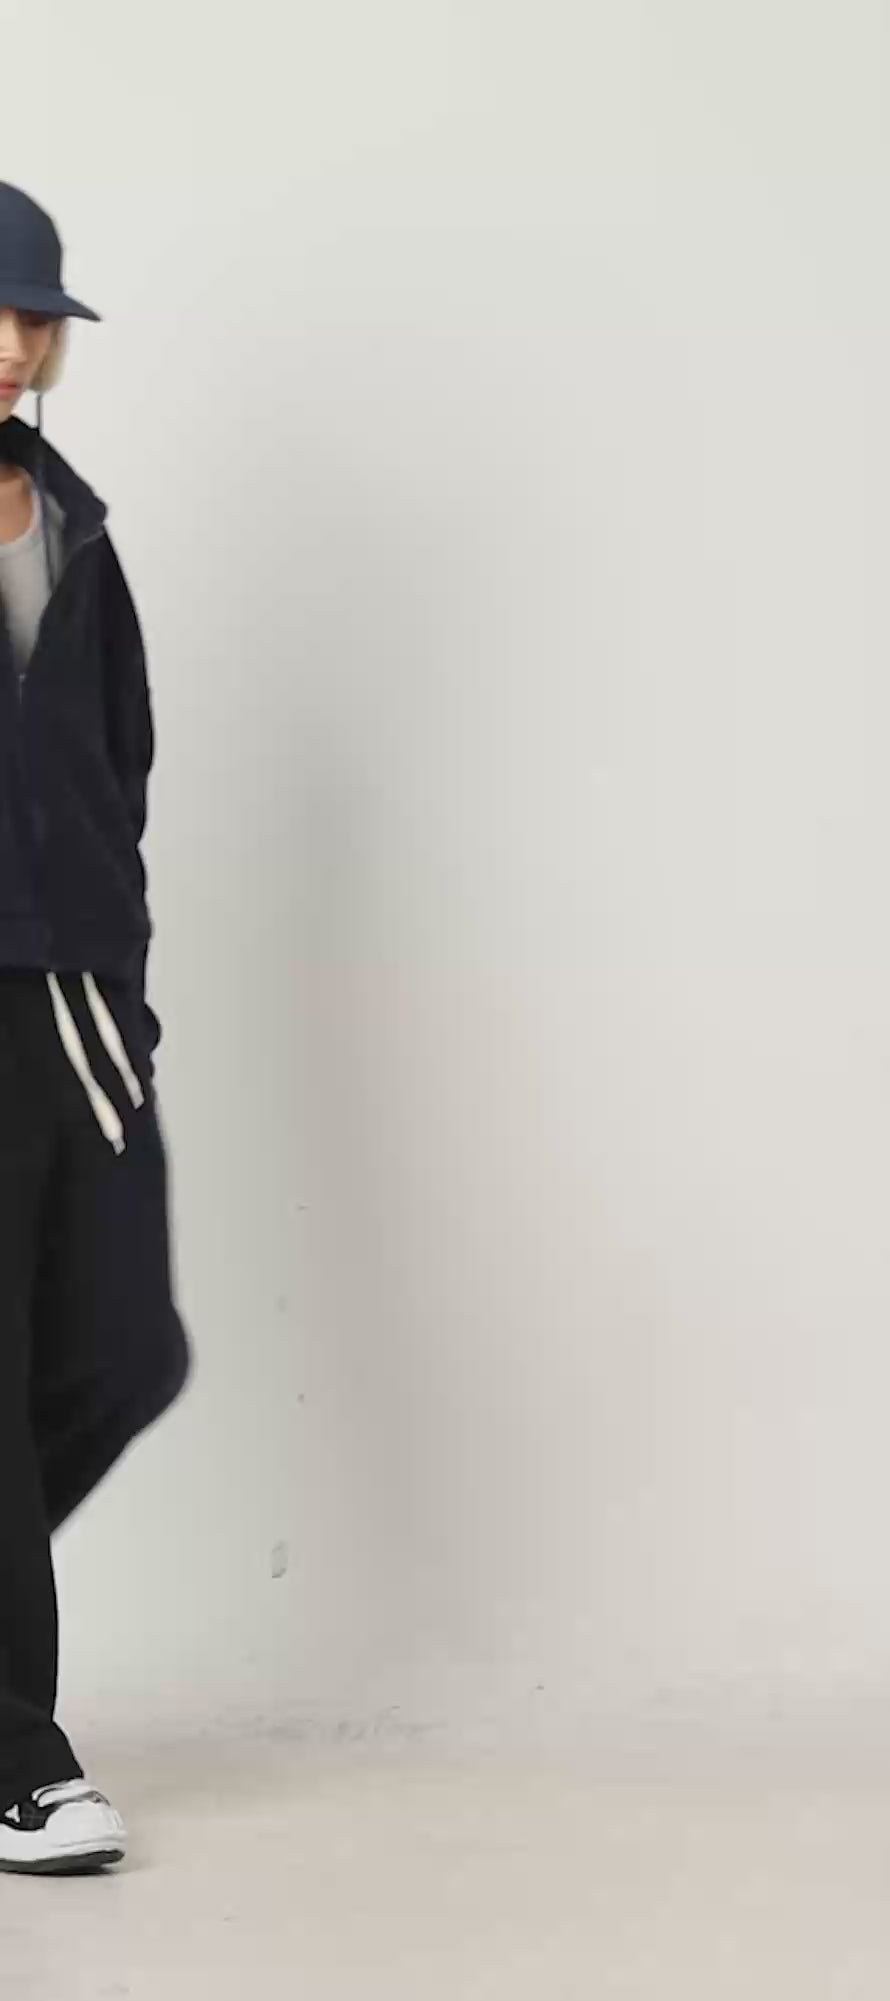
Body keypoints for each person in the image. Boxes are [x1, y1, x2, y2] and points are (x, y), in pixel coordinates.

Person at [0, 181, 190, 1874]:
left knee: (126, 1347)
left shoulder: (75, 527)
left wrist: (119, 986)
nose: (14, 342)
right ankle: (20, 1757)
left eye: (35, 317)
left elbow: (119, 768)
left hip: (69, 995)